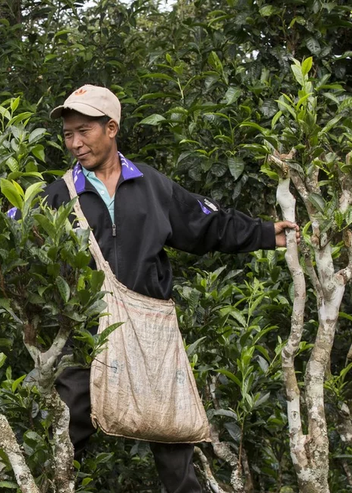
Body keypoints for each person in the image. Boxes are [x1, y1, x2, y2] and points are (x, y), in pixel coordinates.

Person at [42, 85, 296, 493]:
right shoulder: (59, 194)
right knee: (64, 434)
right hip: (88, 332)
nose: (74, 143)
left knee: (173, 444)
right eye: (68, 133)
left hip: (149, 332)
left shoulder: (152, 186)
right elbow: (8, 228)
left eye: (83, 131)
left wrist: (265, 233)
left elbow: (204, 223)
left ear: (111, 128)